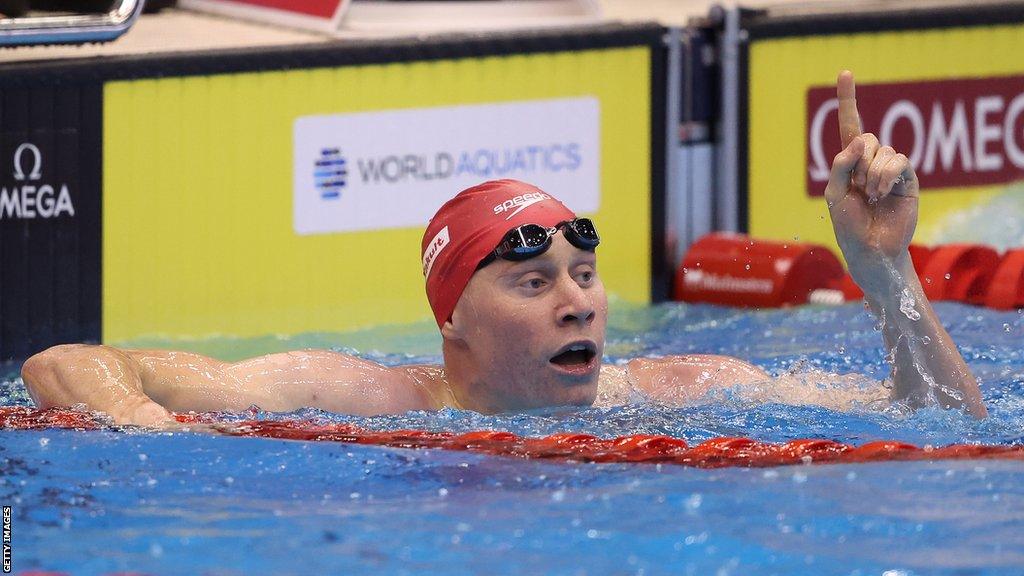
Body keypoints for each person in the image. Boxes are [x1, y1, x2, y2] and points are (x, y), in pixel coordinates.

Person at [19, 72, 987, 426]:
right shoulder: (364, 397)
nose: (579, 302)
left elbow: (947, 422)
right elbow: (67, 363)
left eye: (582, 275)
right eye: (531, 281)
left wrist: (882, 270)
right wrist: (144, 424)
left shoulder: (682, 390)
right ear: (451, 319)